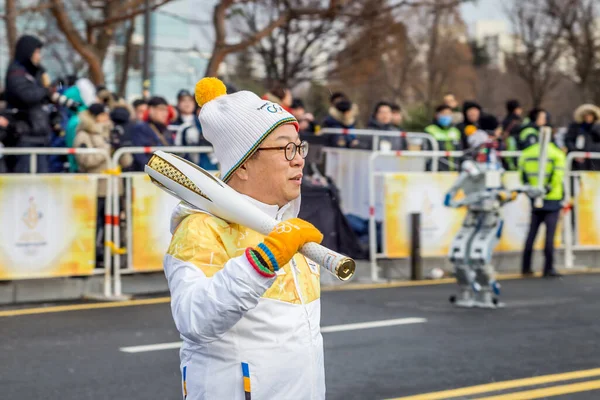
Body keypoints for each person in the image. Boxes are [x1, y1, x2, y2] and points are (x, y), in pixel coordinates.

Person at [162, 77, 325, 399]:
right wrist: (265, 260)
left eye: (299, 146)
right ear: (245, 164)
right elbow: (193, 318)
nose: (299, 158)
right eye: (285, 148)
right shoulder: (201, 228)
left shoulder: (287, 227)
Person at [518, 127, 566, 278]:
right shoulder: (557, 154)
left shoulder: (527, 153)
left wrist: (533, 192)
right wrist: (546, 189)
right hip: (552, 199)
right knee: (550, 235)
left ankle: (526, 267)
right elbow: (557, 177)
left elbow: (523, 176)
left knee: (532, 233)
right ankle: (548, 268)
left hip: (534, 198)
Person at [424, 104, 463, 171]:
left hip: (455, 170)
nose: (446, 116)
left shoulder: (455, 131)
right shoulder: (430, 130)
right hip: (436, 171)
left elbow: (460, 150)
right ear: (437, 115)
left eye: (449, 114)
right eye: (444, 114)